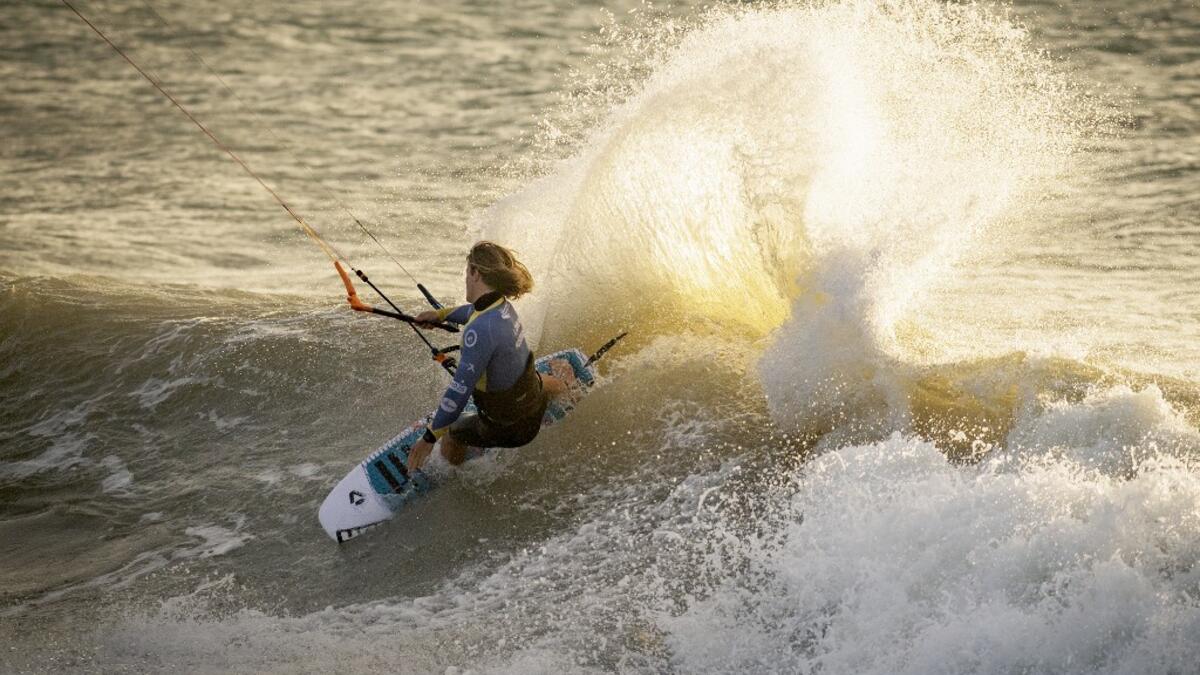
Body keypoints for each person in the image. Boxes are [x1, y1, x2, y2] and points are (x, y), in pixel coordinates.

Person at [405, 241, 565, 471]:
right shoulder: (502, 307)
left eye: (467, 272)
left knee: (452, 435)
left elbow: (459, 392)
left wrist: (429, 438)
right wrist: (439, 315)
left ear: (475, 272)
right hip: (533, 399)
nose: (465, 279)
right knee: (540, 380)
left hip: (511, 429)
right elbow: (472, 312)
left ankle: (453, 477)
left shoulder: (479, 331)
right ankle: (569, 392)